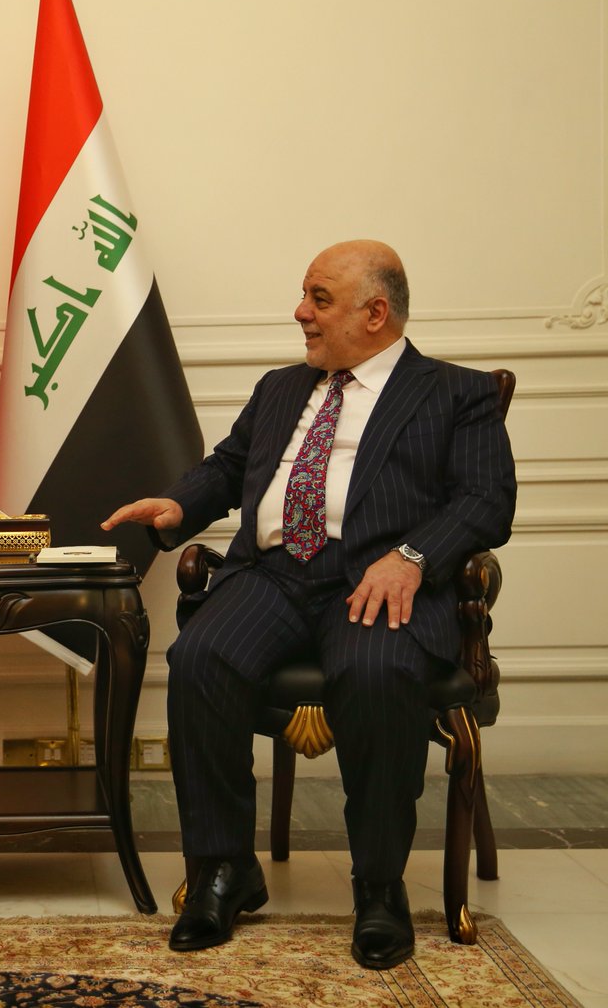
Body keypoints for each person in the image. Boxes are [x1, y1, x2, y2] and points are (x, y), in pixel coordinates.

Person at [102, 240, 515, 969]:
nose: (301, 312)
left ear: (375, 313)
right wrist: (179, 505)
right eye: (305, 295)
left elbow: (486, 500)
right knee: (200, 658)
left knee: (376, 673)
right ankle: (224, 871)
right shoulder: (281, 387)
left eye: (319, 299)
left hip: (374, 581)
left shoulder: (457, 393)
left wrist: (413, 557)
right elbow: (230, 467)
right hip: (274, 575)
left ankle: (379, 886)